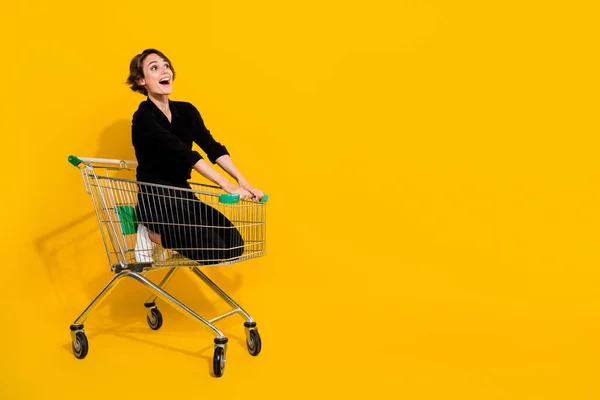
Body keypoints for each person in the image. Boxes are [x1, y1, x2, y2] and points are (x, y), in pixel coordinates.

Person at [125, 48, 264, 264]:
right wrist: (225, 185)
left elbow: (212, 148)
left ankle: (170, 237)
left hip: (184, 193)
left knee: (234, 246)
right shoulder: (144, 116)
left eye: (166, 65)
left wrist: (243, 181)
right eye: (154, 67)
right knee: (213, 251)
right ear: (142, 80)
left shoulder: (187, 111)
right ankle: (150, 232)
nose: (164, 71)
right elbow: (186, 154)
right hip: (156, 198)